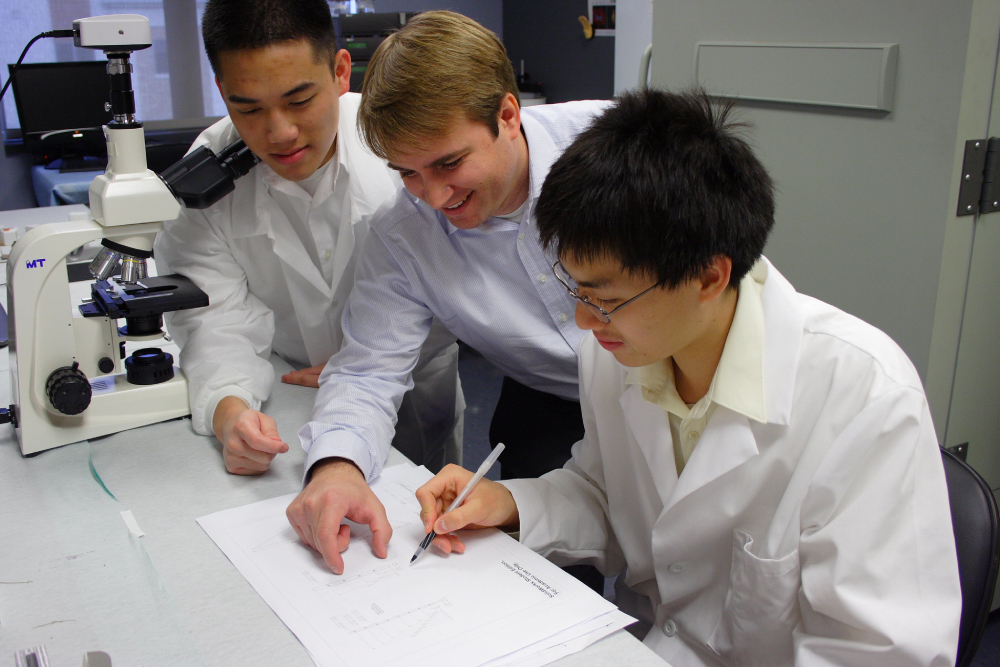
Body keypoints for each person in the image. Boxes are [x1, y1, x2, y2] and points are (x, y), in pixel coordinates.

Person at [415, 89, 962, 667]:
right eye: (575, 289)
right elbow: (607, 493)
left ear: (707, 277)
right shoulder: (615, 351)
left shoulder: (862, 397)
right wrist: (510, 502)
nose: (582, 320)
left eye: (606, 298)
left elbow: (876, 653)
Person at [285, 11, 608, 581]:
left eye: (449, 163)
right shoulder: (402, 234)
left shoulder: (613, 148)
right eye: (407, 172)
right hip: (547, 400)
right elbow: (366, 371)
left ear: (508, 115)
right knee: (549, 577)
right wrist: (336, 466)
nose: (432, 197)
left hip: (670, 386)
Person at [154, 0, 462, 476]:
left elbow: (462, 278)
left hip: (414, 384)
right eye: (248, 107)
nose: (280, 132)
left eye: (299, 100)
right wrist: (230, 410)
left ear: (341, 72)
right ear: (222, 90)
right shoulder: (205, 177)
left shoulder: (404, 147)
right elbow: (214, 318)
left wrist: (363, 364)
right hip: (291, 397)